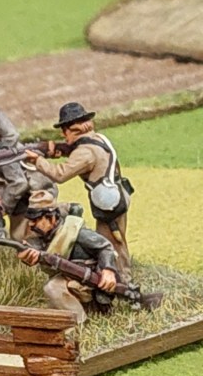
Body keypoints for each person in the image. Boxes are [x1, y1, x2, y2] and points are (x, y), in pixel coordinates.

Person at [25, 102, 133, 275]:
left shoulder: (84, 152)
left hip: (107, 203)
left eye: (65, 130)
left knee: (110, 243)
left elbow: (60, 174)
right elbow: (82, 152)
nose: (63, 135)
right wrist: (58, 149)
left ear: (72, 129)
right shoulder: (98, 138)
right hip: (116, 195)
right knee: (115, 239)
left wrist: (37, 160)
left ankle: (121, 278)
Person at [16, 190, 119, 325]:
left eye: (36, 219)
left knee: (53, 287)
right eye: (30, 220)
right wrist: (27, 255)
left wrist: (108, 270)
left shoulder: (75, 232)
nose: (31, 224)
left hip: (90, 279)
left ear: (51, 218)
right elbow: (34, 249)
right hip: (70, 276)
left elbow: (105, 247)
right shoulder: (42, 235)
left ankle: (78, 323)